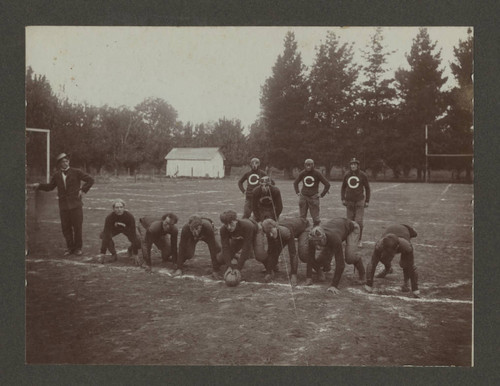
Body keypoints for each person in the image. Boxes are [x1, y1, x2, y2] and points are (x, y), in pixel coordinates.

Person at [32, 152, 94, 256]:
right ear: (59, 164)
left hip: (76, 205)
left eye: (67, 161)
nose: (65, 163)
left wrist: (82, 190)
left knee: (77, 227)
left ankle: (78, 248)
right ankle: (70, 248)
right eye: (63, 161)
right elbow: (50, 187)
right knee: (66, 228)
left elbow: (90, 180)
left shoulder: (76, 172)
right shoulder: (56, 175)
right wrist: (39, 185)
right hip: (64, 206)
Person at [301, 218, 366, 295]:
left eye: (319, 241)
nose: (317, 245)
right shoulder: (312, 238)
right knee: (321, 261)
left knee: (350, 258)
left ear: (324, 237)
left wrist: (334, 285)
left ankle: (362, 274)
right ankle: (325, 267)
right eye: (315, 242)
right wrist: (309, 277)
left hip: (351, 228)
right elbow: (310, 257)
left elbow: (340, 264)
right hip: (337, 227)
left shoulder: (334, 238)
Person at [364, 224, 420, 298]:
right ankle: (388, 269)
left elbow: (411, 266)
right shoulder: (380, 244)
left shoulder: (406, 246)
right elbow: (372, 263)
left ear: (397, 247)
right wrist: (369, 284)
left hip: (405, 231)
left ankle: (406, 283)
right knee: (383, 258)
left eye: (391, 252)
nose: (390, 254)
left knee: (404, 264)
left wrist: (415, 289)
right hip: (392, 231)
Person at [261, 217, 309, 285]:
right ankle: (271, 270)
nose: (270, 235)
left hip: (304, 228)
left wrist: (293, 275)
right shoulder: (269, 232)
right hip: (292, 227)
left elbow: (293, 253)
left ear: (275, 228)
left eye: (271, 232)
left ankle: (318, 269)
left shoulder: (286, 232)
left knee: (303, 253)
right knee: (274, 250)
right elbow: (271, 251)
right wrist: (268, 272)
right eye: (268, 233)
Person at [173, 215, 223, 279]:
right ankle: (178, 261)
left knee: (218, 247)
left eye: (197, 229)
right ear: (189, 226)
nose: (196, 232)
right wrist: (179, 268)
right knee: (188, 253)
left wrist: (215, 270)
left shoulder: (207, 227)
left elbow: (212, 247)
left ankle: (226, 260)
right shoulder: (186, 229)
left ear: (201, 226)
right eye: (193, 229)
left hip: (208, 233)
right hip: (192, 236)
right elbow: (181, 246)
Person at [219, 210, 267, 275]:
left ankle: (270, 266)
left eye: (231, 223)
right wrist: (229, 266)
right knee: (221, 259)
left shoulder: (247, 226)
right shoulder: (223, 230)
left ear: (236, 220)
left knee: (260, 255)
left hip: (255, 232)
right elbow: (225, 248)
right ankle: (237, 257)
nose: (229, 227)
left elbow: (246, 247)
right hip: (239, 236)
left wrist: (238, 268)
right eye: (226, 224)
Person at [98, 199, 141, 264]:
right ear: (113, 209)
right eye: (117, 207)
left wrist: (135, 253)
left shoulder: (129, 217)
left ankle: (131, 249)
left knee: (139, 240)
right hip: (114, 229)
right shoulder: (109, 218)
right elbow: (106, 234)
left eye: (121, 207)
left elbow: (133, 234)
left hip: (126, 229)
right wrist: (102, 253)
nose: (119, 209)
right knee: (104, 235)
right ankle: (113, 254)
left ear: (124, 208)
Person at [341, 157, 371, 248]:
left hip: (359, 201)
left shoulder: (363, 175)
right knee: (349, 222)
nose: (353, 166)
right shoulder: (347, 175)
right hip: (349, 202)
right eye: (351, 164)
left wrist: (367, 200)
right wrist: (343, 198)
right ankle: (349, 239)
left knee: (358, 221)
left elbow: (367, 188)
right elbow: (343, 187)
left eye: (355, 164)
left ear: (358, 166)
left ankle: (359, 240)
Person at [293, 159, 330, 226]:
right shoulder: (303, 173)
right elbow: (295, 183)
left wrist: (322, 194)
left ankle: (316, 232)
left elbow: (327, 184)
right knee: (302, 218)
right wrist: (297, 192)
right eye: (307, 165)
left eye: (310, 165)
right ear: (304, 165)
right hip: (304, 196)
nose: (308, 167)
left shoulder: (317, 173)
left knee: (315, 218)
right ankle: (302, 231)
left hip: (313, 197)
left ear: (313, 165)